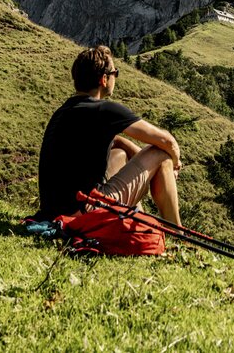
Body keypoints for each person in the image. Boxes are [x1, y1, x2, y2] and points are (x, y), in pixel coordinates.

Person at [36, 45, 182, 225]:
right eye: (115, 73)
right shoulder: (104, 110)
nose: (116, 77)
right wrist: (174, 164)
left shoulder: (64, 111)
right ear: (104, 79)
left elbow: (116, 141)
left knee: (119, 155)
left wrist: (137, 157)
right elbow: (167, 141)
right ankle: (178, 233)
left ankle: (139, 223)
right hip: (85, 211)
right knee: (161, 154)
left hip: (53, 212)